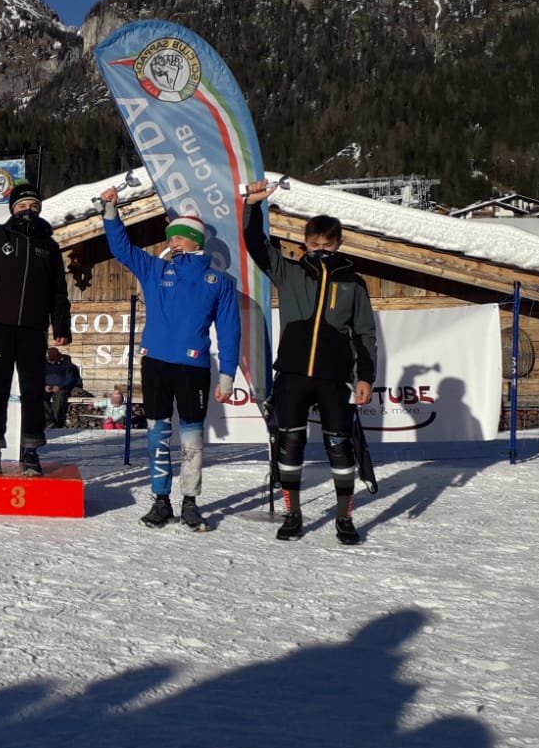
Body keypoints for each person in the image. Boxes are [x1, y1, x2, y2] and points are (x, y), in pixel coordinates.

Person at [100, 186, 242, 531]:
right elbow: (121, 248)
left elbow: (229, 330)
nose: (173, 242)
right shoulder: (156, 269)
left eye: (179, 237)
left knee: (192, 438)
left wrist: (227, 374)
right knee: (157, 434)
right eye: (171, 237)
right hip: (156, 364)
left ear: (196, 241)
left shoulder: (218, 281)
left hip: (193, 367)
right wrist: (110, 212)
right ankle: (160, 501)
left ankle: (190, 502)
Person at [244, 181, 378, 545]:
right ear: (304, 243)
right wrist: (252, 206)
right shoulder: (289, 271)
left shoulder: (353, 282)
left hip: (334, 377)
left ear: (339, 244)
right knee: (290, 444)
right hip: (292, 375)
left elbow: (365, 333)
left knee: (340, 446)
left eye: (327, 245)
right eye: (314, 244)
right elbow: (255, 243)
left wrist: (365, 377)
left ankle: (344, 518)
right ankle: (293, 514)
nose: (320, 250)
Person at [0, 167, 72, 476]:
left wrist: (61, 326)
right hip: (0, 327)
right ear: (12, 209)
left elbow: (58, 292)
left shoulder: (49, 247)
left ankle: (31, 451)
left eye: (34, 205)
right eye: (22, 205)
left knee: (33, 391)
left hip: (34, 330)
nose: (28, 210)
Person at [43, 347, 83, 428]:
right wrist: (44, 386)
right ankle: (49, 421)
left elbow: (70, 379)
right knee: (39, 397)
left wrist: (60, 386)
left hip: (60, 388)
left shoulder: (67, 366)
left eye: (53, 355)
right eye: (49, 355)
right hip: (47, 387)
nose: (50, 357)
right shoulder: (44, 366)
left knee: (59, 398)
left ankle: (56, 422)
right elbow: (39, 377)